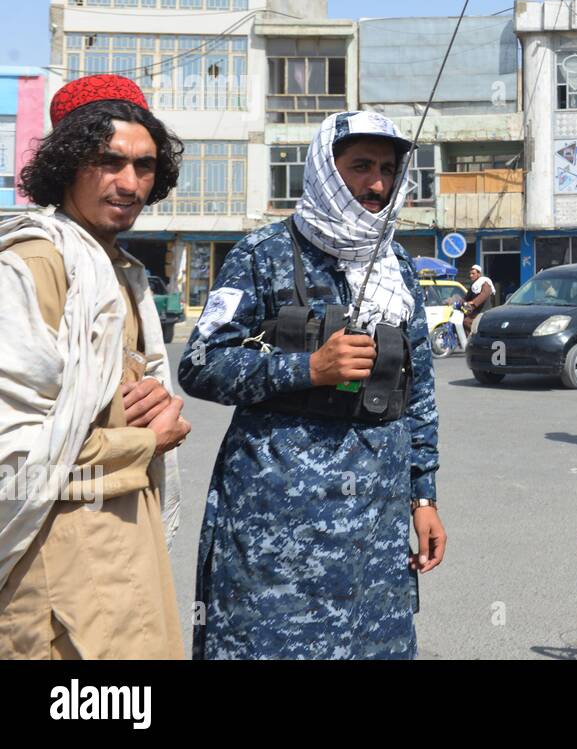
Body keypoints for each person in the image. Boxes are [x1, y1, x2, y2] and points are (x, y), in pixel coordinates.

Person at [178, 110, 446, 659]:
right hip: (275, 525)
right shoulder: (263, 253)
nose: (377, 184)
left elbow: (419, 392)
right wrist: (305, 370)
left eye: (388, 169)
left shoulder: (397, 262)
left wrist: (424, 496)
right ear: (326, 169)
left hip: (376, 522)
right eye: (361, 166)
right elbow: (200, 364)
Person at [0, 74, 190, 659]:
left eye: (144, 166)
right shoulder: (33, 267)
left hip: (127, 557)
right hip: (57, 573)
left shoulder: (120, 273)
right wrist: (142, 441)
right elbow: (14, 453)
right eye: (109, 162)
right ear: (65, 165)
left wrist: (157, 408)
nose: (129, 182)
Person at [465, 264, 496, 334]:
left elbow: (484, 295)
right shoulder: (474, 285)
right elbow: (467, 296)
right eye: (470, 274)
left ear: (479, 274)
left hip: (483, 312)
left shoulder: (485, 283)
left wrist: (473, 302)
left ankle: (477, 336)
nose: (471, 275)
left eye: (473, 273)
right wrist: (460, 301)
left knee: (466, 321)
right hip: (475, 311)